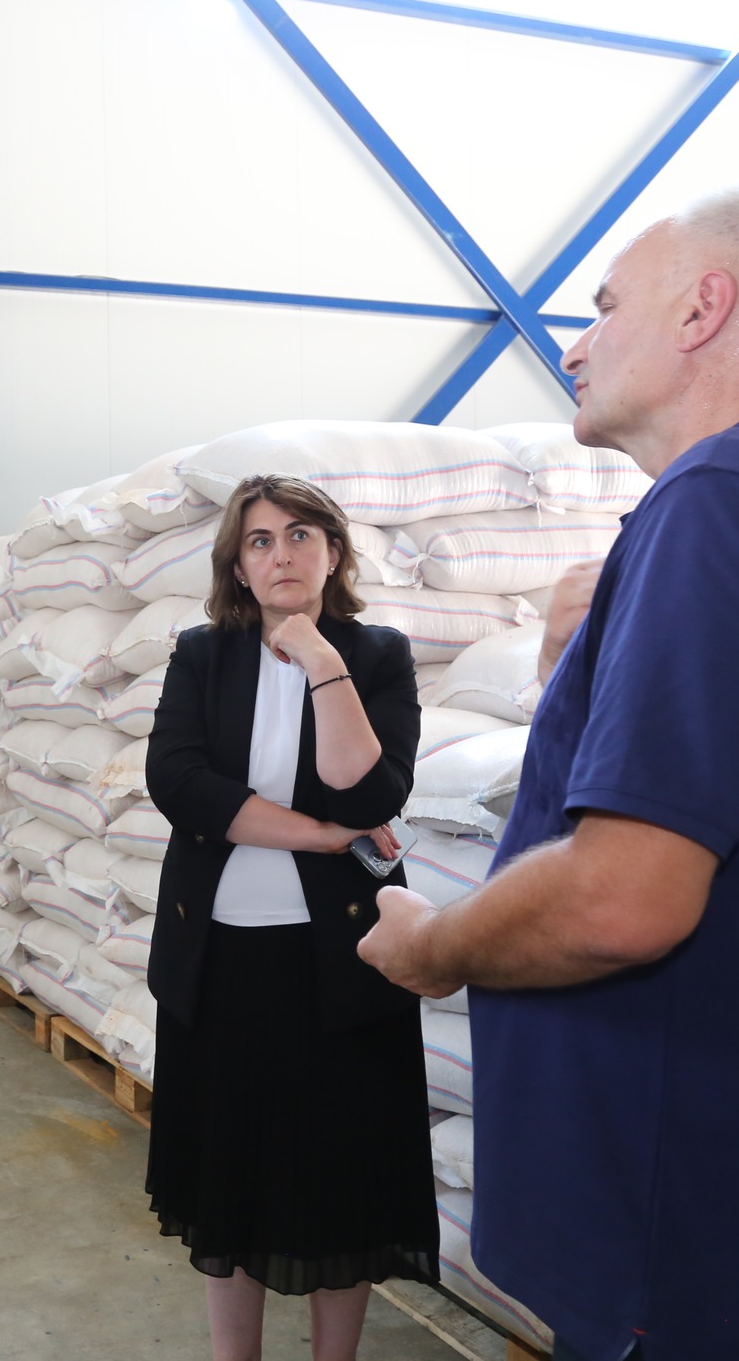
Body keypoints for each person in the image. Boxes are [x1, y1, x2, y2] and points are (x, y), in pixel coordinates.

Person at [358, 185, 739, 1361]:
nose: (572, 347)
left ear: (701, 309)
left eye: (602, 308)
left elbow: (621, 901)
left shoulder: (725, 495)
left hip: (706, 1239)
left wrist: (431, 948)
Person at [144, 473, 438, 1361]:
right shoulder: (202, 654)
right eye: (262, 539)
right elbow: (180, 782)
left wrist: (319, 659)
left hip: (342, 963)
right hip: (220, 961)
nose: (282, 554)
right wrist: (318, 835)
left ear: (334, 553)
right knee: (228, 1181)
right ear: (237, 563)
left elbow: (372, 792)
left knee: (340, 1184)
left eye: (302, 535)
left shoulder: (376, 653)